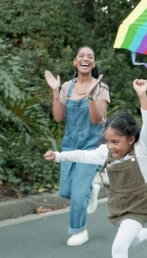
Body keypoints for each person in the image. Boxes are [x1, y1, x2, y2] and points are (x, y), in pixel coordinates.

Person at [44, 79, 147, 257]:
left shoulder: (141, 150)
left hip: (138, 206)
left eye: (116, 142)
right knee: (133, 239)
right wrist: (58, 156)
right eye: (108, 141)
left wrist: (142, 94)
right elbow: (82, 155)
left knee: (119, 246)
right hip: (119, 207)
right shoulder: (105, 152)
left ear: (131, 139)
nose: (110, 146)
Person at [44, 46, 110, 247]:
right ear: (75, 61)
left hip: (93, 147)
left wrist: (90, 96)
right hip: (71, 145)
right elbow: (58, 117)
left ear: (94, 64)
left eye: (90, 56)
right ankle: (91, 191)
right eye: (81, 56)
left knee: (78, 193)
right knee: (66, 191)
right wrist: (55, 91)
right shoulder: (66, 87)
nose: (85, 58)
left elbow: (96, 119)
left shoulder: (101, 87)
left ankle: (79, 230)